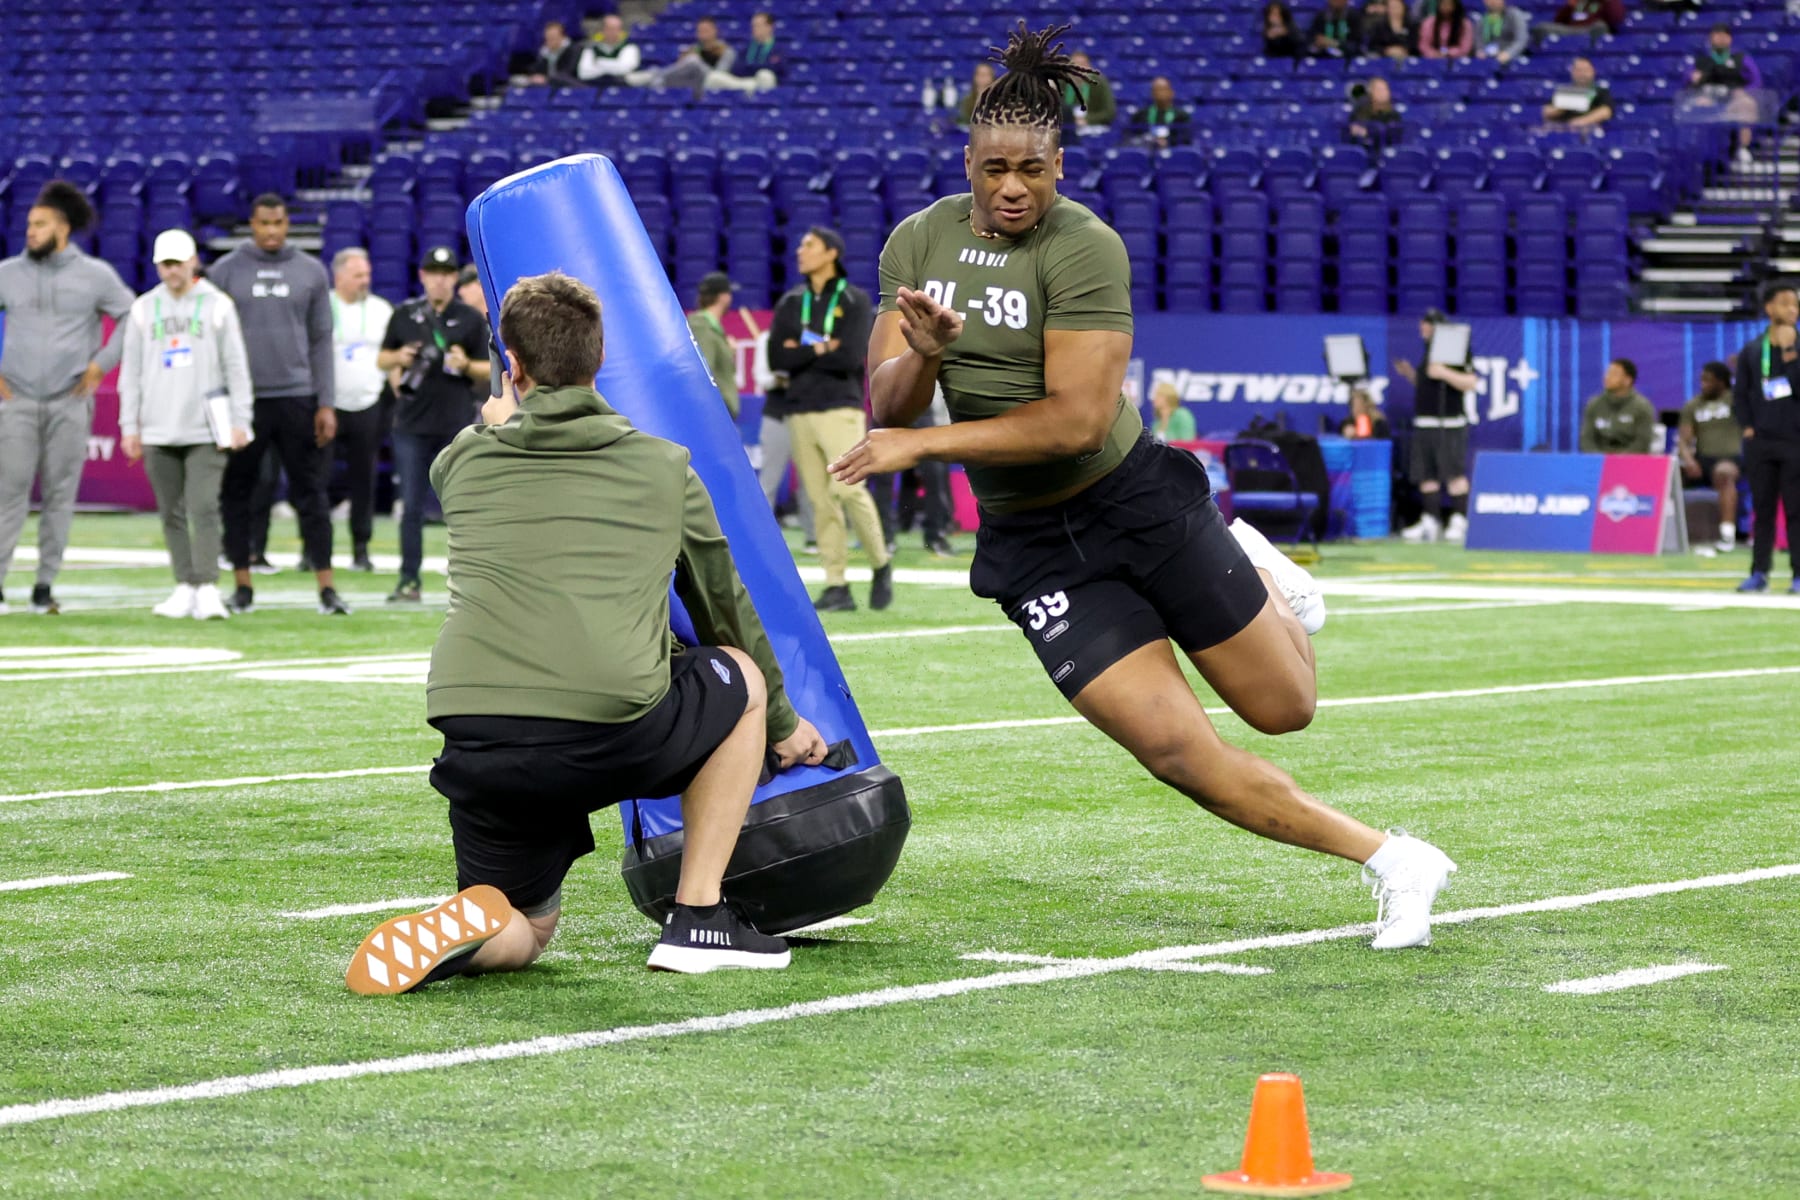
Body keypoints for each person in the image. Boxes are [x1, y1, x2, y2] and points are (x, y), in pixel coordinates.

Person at [831, 22, 1456, 951]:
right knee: (1173, 752)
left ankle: (1253, 559)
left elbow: (1075, 423)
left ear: (1060, 169)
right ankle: (1395, 860)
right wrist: (922, 358)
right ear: (965, 158)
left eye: (1032, 171)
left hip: (1130, 497)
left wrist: (924, 446)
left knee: (1284, 710)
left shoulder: (1086, 248)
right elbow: (888, 399)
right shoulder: (916, 242)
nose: (1012, 187)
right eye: (994, 167)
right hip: (1036, 546)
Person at [344, 271, 830, 993]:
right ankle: (699, 917)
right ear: (599, 362)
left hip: (478, 734)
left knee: (525, 926)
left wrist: (494, 421)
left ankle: (469, 927)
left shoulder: (464, 459)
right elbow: (724, 605)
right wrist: (784, 725)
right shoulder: (665, 468)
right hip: (607, 727)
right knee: (741, 674)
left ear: (512, 366)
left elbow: (486, 453)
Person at [0, 180, 135, 615]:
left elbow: (133, 315)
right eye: (29, 225)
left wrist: (101, 364)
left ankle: (44, 586)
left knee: (60, 495)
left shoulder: (95, 276)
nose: (30, 232)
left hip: (70, 400)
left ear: (62, 228)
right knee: (8, 494)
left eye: (39, 225)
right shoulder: (8, 273)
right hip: (17, 399)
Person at [209, 194, 345, 615]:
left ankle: (326, 587)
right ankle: (242, 586)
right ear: (252, 223)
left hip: (297, 396)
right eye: (264, 223)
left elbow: (322, 340)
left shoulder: (310, 271)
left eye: (279, 222)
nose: (271, 231)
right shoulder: (223, 271)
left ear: (287, 223)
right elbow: (211, 345)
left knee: (312, 495)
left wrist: (326, 402)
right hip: (243, 402)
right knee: (238, 494)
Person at [117, 229, 252, 621]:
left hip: (206, 427)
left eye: (178, 263)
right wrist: (130, 425)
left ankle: (207, 585)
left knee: (204, 506)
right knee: (170, 511)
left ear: (193, 261)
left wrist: (241, 419)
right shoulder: (143, 309)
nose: (172, 271)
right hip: (159, 425)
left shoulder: (218, 306)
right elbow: (132, 372)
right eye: (165, 263)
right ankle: (184, 584)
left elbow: (236, 366)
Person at [768, 227, 893, 612]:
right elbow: (778, 359)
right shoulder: (791, 302)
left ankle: (880, 562)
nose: (799, 251)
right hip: (799, 409)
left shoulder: (853, 301)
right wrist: (824, 345)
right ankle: (837, 584)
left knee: (848, 491)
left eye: (809, 245)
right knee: (820, 501)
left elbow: (848, 357)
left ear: (831, 254)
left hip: (840, 408)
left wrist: (804, 349)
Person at [377, 246, 490, 604]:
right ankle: (409, 579)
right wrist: (399, 358)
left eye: (446, 273)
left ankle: (467, 580)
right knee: (410, 506)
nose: (440, 279)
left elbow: (490, 368)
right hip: (410, 422)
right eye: (433, 273)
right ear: (423, 276)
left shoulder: (470, 319)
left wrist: (466, 365)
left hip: (454, 424)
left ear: (455, 279)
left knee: (460, 505)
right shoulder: (405, 315)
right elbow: (382, 358)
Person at [1732, 280, 1800, 594]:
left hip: (1795, 441)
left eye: (1796, 304)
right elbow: (1741, 393)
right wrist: (1747, 426)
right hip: (1761, 442)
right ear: (1769, 307)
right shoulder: (1752, 350)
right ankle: (1759, 572)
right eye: (1785, 302)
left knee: (1796, 509)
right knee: (1763, 509)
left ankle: (1798, 574)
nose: (1792, 309)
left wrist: (1790, 353)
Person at [326, 249, 392, 573]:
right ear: (339, 277)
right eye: (358, 275)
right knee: (318, 476)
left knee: (363, 479)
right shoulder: (323, 307)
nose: (365, 280)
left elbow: (391, 355)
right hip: (329, 406)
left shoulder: (380, 309)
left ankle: (361, 548)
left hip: (369, 403)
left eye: (367, 274)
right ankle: (314, 549)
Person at [1393, 308, 1478, 542]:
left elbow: (1471, 382)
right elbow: (1427, 384)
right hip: (1425, 422)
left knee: (1453, 473)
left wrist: (1443, 372)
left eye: (1427, 323)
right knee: (1426, 474)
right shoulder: (1427, 352)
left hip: (1449, 423)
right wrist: (1411, 374)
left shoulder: (1456, 349)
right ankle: (1431, 519)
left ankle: (1459, 519)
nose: (1422, 326)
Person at [1677, 361, 1742, 552]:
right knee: (1667, 477)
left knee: (1723, 474)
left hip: (1730, 459)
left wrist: (1741, 368)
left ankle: (1727, 535)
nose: (1703, 384)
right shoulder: (1693, 405)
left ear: (1722, 382)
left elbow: (1754, 388)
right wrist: (1688, 460)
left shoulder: (1734, 400)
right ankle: (1661, 534)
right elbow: (1684, 440)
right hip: (1701, 460)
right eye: (1702, 380)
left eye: (1709, 381)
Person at [1685, 23, 1763, 169]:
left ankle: (1742, 149)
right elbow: (1688, 81)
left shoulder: (1741, 58)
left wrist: (1744, 92)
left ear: (1730, 38)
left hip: (1733, 99)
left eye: (1724, 35)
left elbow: (1756, 81)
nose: (1720, 38)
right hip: (1709, 99)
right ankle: (1703, 155)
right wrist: (1693, 79)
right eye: (1716, 35)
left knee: (1747, 104)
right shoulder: (1701, 60)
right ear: (1710, 38)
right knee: (1701, 104)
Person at [626, 17, 734, 95]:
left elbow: (718, 76)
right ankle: (654, 76)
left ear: (715, 31)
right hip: (688, 83)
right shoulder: (694, 48)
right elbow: (679, 71)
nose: (703, 33)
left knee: (693, 61)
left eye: (706, 30)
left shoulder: (725, 50)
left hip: (707, 84)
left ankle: (655, 74)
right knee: (688, 63)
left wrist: (697, 62)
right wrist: (683, 61)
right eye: (700, 31)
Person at [688, 271, 740, 419]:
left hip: (721, 409)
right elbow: (703, 369)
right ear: (723, 297)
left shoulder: (711, 328)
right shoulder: (702, 327)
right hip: (715, 411)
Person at [1578, 359, 1657, 454]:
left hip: (1630, 462)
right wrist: (1598, 458)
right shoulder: (1594, 404)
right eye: (1607, 373)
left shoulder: (1642, 407)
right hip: (1599, 462)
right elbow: (1586, 439)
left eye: (1613, 374)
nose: (1607, 377)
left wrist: (1618, 461)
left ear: (1627, 380)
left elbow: (1642, 442)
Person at [705, 11, 782, 95]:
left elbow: (776, 70)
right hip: (744, 82)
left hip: (761, 82)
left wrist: (750, 66)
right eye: (753, 26)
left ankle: (763, 103)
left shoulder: (778, 49)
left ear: (770, 27)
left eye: (758, 25)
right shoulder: (747, 48)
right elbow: (737, 68)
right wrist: (755, 67)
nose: (755, 28)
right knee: (714, 77)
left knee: (765, 75)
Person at [1540, 57, 1613, 130]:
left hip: (1587, 131)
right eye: (1578, 70)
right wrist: (1568, 103)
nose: (1582, 74)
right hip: (1562, 130)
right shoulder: (1564, 92)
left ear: (1592, 72)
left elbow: (1606, 111)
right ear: (1572, 72)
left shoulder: (1600, 91)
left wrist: (1581, 122)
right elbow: (1547, 112)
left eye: (1585, 70)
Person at [1060, 50, 1117, 136]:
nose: (1078, 68)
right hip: (1066, 127)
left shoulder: (1099, 83)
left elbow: (1109, 112)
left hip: (1093, 127)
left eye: (1082, 64)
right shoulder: (1062, 83)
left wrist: (1088, 119)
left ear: (1089, 67)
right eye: (1074, 65)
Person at [576, 14, 641, 87]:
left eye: (616, 29)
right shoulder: (591, 48)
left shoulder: (630, 47)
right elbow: (583, 73)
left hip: (622, 87)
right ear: (602, 30)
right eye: (609, 28)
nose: (613, 32)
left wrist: (599, 62)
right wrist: (614, 66)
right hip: (594, 85)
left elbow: (625, 69)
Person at [1127, 77, 1193, 148]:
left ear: (1171, 92)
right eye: (1156, 90)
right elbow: (1132, 137)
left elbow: (1186, 140)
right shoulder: (1140, 115)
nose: (1160, 93)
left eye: (1163, 89)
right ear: (1152, 93)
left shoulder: (1182, 116)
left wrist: (1168, 142)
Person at [1348, 76, 1403, 148]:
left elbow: (1392, 135)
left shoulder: (1394, 115)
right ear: (1371, 92)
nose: (1383, 93)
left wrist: (1368, 133)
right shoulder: (1360, 111)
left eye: (1385, 89)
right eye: (1379, 90)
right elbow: (1354, 129)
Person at [1476, 0, 1531, 64]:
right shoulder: (1483, 19)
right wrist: (1480, 51)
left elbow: (1522, 39)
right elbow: (1479, 39)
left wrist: (1508, 54)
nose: (1492, 1)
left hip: (1513, 57)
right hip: (1490, 57)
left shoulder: (1514, 14)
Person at [528, 20, 581, 86]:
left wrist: (547, 79)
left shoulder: (573, 49)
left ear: (562, 37)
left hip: (572, 85)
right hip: (550, 85)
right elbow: (537, 70)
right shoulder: (545, 52)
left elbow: (568, 72)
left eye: (552, 38)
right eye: (547, 38)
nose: (549, 41)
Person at [1537, 0, 1624, 39]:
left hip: (1591, 31)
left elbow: (1616, 19)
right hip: (1571, 31)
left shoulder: (1604, 3)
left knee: (1600, 25)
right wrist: (1569, 6)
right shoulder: (1579, 2)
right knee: (1542, 27)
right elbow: (1558, 21)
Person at [957, 62, 997, 128]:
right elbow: (963, 122)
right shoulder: (967, 101)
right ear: (975, 77)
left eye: (986, 74)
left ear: (992, 77)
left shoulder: (998, 102)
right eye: (980, 74)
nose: (982, 77)